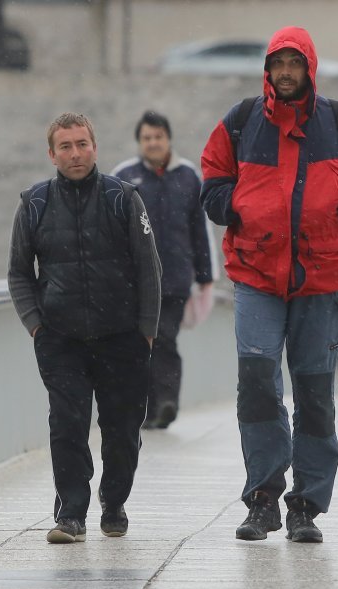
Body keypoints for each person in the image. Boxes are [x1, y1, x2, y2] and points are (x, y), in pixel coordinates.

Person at [199, 26, 338, 543]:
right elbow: (211, 183)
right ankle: (262, 497)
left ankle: (306, 503)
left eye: (294, 63)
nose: (285, 72)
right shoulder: (240, 123)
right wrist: (236, 204)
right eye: (278, 63)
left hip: (322, 277)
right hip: (257, 274)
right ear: (267, 69)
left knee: (314, 392)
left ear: (309, 69)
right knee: (257, 386)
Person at [8, 112, 162, 543]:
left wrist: (146, 330)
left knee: (122, 428)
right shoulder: (34, 204)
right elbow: (19, 272)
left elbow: (150, 269)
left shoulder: (123, 198)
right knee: (68, 425)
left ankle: (113, 503)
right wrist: (36, 325)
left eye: (82, 144)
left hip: (123, 337)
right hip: (61, 339)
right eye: (66, 147)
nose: (75, 154)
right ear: (52, 154)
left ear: (95, 146)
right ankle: (71, 513)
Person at [112, 110, 215, 429]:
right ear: (139, 142)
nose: (153, 143)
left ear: (168, 139)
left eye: (158, 137)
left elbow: (201, 230)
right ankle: (145, 407)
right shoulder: (123, 176)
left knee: (166, 340)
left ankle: (166, 402)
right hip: (133, 282)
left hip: (174, 279)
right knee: (138, 344)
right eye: (147, 138)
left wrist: (206, 278)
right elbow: (111, 231)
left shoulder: (188, 176)